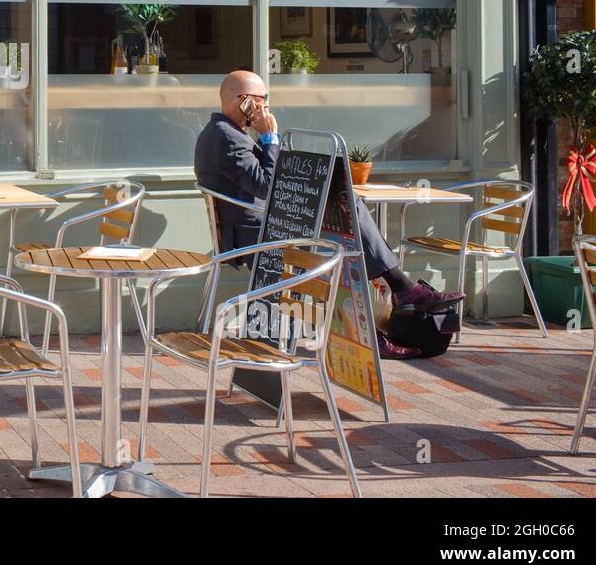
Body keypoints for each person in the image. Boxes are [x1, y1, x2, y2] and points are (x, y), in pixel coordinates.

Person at [195, 70, 463, 360]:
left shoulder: (225, 133)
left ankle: (393, 298)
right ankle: (380, 317)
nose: (265, 109)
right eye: (260, 101)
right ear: (243, 102)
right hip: (255, 236)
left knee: (345, 213)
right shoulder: (226, 137)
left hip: (260, 226)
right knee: (344, 234)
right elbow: (266, 185)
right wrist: (270, 137)